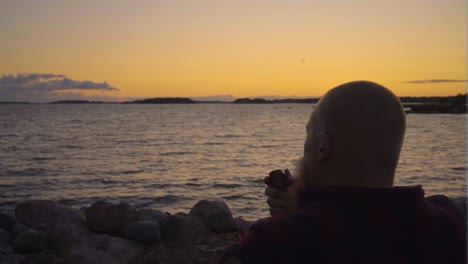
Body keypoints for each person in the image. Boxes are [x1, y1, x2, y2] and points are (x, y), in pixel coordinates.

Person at [217, 81, 466, 264]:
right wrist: (303, 211)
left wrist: (292, 222)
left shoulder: (271, 243)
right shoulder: (449, 220)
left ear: (322, 146)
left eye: (308, 133)